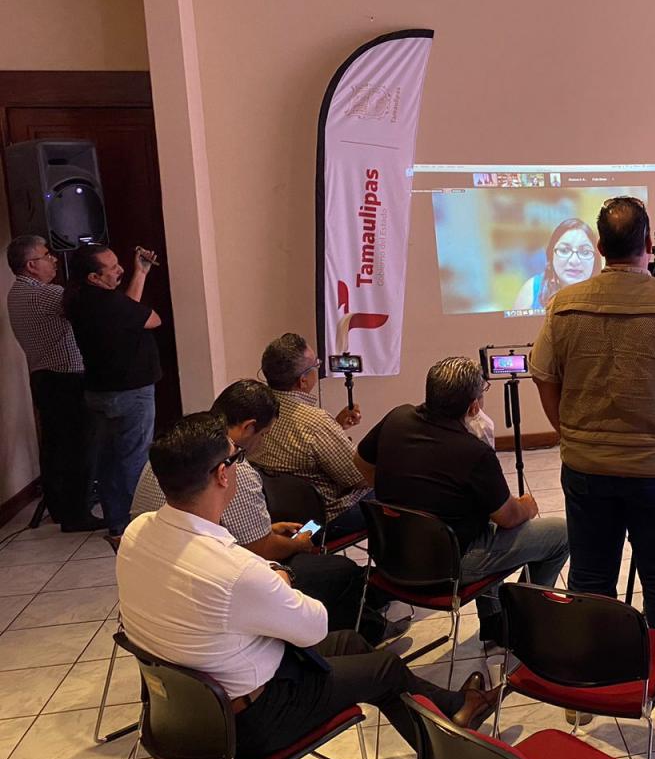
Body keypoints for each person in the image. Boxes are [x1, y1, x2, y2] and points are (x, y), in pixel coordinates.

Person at [116, 413, 499, 759]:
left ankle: (455, 710)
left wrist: (265, 571)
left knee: (351, 643)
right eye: (237, 458)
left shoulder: (137, 532)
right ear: (222, 474)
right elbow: (313, 626)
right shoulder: (235, 573)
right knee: (384, 668)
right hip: (248, 723)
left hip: (180, 713)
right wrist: (281, 576)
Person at [530, 195, 655, 746]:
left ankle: (586, 693)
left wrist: (568, 431)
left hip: (586, 468)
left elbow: (544, 376)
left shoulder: (563, 306)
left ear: (600, 247)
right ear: (648, 244)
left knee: (590, 581)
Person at [130, 379, 404, 644]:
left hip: (171, 575)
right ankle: (364, 630)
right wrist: (292, 548)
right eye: (264, 435)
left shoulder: (169, 455)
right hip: (218, 582)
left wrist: (266, 531)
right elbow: (259, 549)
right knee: (340, 568)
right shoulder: (234, 469)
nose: (264, 443)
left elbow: (233, 530)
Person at [356, 356, 569, 649]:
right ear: (473, 407)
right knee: (561, 534)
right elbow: (508, 517)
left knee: (482, 522)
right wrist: (527, 506)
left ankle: (495, 621)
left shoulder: (396, 418)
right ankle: (523, 622)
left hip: (391, 555)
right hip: (447, 567)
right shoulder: (474, 452)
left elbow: (361, 462)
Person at [64, 243, 163, 542]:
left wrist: (140, 273)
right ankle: (140, 526)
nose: (120, 270)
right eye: (113, 268)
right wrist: (138, 276)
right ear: (94, 277)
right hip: (130, 392)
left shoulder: (79, 300)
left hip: (99, 392)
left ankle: (117, 522)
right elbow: (152, 319)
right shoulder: (108, 303)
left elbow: (127, 313)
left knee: (109, 460)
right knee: (134, 459)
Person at [5, 234, 97, 531]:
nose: (54, 259)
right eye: (47, 255)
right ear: (31, 265)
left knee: (55, 445)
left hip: (43, 377)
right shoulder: (44, 294)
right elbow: (88, 306)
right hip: (65, 378)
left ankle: (60, 507)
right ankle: (77, 514)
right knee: (77, 446)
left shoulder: (15, 293)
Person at [250, 333, 370, 540]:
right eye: (316, 365)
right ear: (303, 380)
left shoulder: (255, 411)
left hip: (279, 519)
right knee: (392, 493)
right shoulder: (315, 422)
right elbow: (360, 478)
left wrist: (336, 426)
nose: (318, 367)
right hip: (319, 523)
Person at [512, 218, 601, 311]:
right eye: (564, 250)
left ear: (596, 259)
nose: (574, 261)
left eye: (585, 252)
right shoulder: (533, 289)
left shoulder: (605, 294)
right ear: (551, 255)